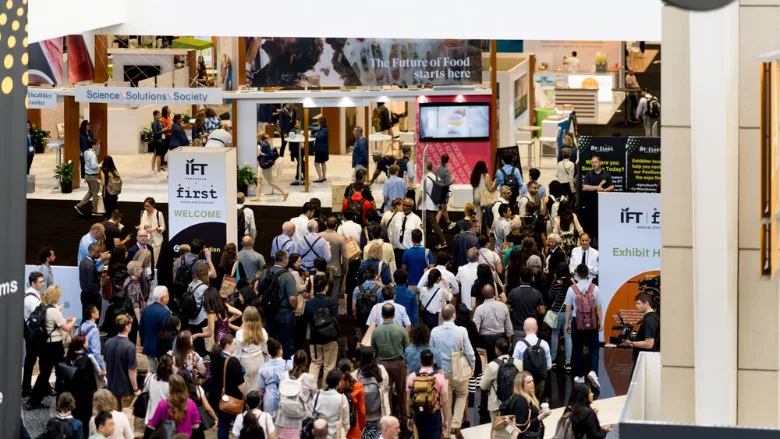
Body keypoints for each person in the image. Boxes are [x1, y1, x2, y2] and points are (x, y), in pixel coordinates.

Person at [25, 285, 77, 410]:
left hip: (45, 346)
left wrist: (64, 320)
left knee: (44, 374)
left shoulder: (43, 308)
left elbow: (53, 323)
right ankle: (63, 400)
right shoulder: (54, 311)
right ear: (57, 296)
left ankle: (34, 400)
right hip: (55, 346)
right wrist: (73, 321)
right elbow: (66, 328)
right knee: (62, 373)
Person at [430, 305, 475, 438]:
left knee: (446, 401)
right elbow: (469, 352)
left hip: (442, 372)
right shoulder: (462, 330)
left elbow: (432, 351)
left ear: (442, 316)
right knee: (462, 395)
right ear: (454, 315)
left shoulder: (434, 331)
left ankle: (446, 431)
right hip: (460, 370)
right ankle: (456, 424)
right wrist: (472, 366)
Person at [565, 264, 604, 389]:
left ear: (576, 274)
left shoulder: (572, 289)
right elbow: (598, 307)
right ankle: (593, 371)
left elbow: (568, 308)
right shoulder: (595, 288)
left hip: (577, 322)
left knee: (578, 349)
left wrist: (567, 323)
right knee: (594, 348)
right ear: (588, 274)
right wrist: (601, 322)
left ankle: (580, 376)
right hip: (592, 322)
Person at [371, 303, 411, 426]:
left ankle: (388, 420)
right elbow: (407, 347)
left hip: (382, 366)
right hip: (399, 365)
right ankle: (403, 420)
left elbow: (374, 349)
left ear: (382, 315)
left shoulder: (376, 331)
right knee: (402, 393)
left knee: (385, 393)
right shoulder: (401, 330)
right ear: (394, 315)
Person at [261, 250, 299, 359]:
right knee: (286, 343)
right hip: (284, 314)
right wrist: (294, 308)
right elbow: (292, 298)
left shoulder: (265, 272)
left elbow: (259, 290)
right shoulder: (288, 276)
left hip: (268, 313)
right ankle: (287, 369)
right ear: (285, 261)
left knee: (270, 343)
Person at [208, 335, 247, 439]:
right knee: (241, 425)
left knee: (223, 426)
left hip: (219, 398)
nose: (235, 346)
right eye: (234, 344)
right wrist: (246, 395)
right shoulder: (233, 361)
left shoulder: (215, 358)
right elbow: (241, 384)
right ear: (227, 345)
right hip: (233, 399)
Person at [305, 275, 340, 387]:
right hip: (330, 338)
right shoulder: (331, 301)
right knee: (329, 366)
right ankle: (325, 392)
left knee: (315, 364)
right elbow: (336, 318)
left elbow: (307, 320)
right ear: (326, 287)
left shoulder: (309, 303)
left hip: (314, 338)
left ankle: (311, 390)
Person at [405, 349, 449, 439]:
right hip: (434, 414)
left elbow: (408, 400)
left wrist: (409, 417)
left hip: (418, 414)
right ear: (433, 361)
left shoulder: (412, 377)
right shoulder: (439, 378)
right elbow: (444, 401)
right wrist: (446, 420)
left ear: (420, 361)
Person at [479, 337, 522, 421]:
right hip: (514, 401)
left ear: (497, 350)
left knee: (498, 429)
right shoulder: (518, 363)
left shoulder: (491, 366)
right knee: (513, 427)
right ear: (510, 348)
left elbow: (483, 386)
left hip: (496, 404)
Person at [104, 315, 141, 410]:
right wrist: (136, 389)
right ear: (126, 327)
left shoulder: (108, 342)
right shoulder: (130, 346)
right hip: (126, 389)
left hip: (111, 387)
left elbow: (106, 362)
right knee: (126, 418)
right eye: (130, 324)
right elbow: (132, 371)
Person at [62, 335, 100, 426]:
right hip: (84, 396)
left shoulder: (68, 357)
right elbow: (91, 381)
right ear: (83, 344)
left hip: (70, 393)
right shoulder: (86, 360)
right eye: (86, 341)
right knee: (84, 420)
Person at [512, 317, 552, 398]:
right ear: (537, 328)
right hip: (540, 380)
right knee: (538, 401)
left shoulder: (520, 344)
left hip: (525, 381)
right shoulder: (544, 344)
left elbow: (514, 365)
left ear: (524, 328)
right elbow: (549, 366)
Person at [500, 372, 549, 437]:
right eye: (528, 382)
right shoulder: (521, 400)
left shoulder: (528, 397)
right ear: (521, 385)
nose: (532, 384)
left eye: (532, 381)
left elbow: (528, 416)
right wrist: (538, 418)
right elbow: (521, 425)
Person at [473, 284, 513, 363]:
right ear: (494, 292)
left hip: (485, 341)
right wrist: (509, 342)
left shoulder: (479, 309)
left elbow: (475, 329)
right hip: (501, 339)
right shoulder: (503, 306)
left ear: (482, 294)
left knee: (487, 364)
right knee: (501, 364)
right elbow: (509, 328)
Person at [234, 306, 268, 393]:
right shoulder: (262, 331)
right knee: (258, 386)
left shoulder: (240, 333)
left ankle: (248, 405)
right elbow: (265, 350)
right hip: (259, 360)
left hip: (245, 363)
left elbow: (237, 354)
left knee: (247, 389)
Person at [580, 155, 614, 241]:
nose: (593, 164)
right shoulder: (589, 174)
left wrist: (603, 190)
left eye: (595, 162)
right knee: (590, 225)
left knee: (602, 224)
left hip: (604, 205)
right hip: (591, 204)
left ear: (600, 163)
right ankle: (591, 241)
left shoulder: (606, 175)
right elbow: (585, 187)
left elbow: (612, 187)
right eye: (592, 163)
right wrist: (597, 187)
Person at [506, 268, 546, 342]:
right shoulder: (537, 293)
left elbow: (506, 310)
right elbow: (542, 311)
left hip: (518, 327)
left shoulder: (513, 292)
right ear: (531, 278)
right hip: (532, 328)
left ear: (520, 278)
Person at [622, 292, 661, 365]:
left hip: (646, 359)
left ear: (646, 303)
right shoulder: (654, 317)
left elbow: (649, 344)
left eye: (638, 303)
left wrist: (630, 343)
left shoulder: (649, 320)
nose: (636, 306)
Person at [548, 263, 573, 370]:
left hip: (557, 312)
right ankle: (568, 363)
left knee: (555, 334)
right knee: (568, 336)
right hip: (569, 312)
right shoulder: (571, 283)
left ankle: (553, 360)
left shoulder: (555, 283)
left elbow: (550, 296)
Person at [140, 286, 171, 371]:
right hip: (161, 349)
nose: (168, 298)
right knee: (161, 372)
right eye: (167, 296)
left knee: (151, 371)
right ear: (162, 298)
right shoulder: (165, 313)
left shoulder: (146, 310)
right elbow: (167, 333)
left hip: (148, 346)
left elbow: (141, 329)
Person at [313, 370, 351, 439]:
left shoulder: (317, 396)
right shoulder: (342, 398)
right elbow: (346, 422)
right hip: (335, 435)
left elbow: (313, 416)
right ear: (338, 382)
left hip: (319, 434)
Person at [321, 215, 349, 302]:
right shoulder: (340, 238)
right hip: (336, 268)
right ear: (336, 225)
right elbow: (344, 256)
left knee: (321, 290)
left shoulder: (319, 236)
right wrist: (345, 269)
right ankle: (332, 310)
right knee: (334, 293)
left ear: (326, 224)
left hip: (321, 268)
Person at [258, 338, 290, 415]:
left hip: (269, 396)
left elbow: (261, 387)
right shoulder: (288, 365)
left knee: (269, 420)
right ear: (279, 351)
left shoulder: (263, 367)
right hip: (285, 393)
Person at [188, 264, 213, 357]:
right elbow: (207, 304)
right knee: (204, 345)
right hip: (202, 318)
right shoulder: (204, 288)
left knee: (196, 344)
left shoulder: (191, 284)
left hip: (192, 317)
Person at [256, 132, 290, 201]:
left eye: (257, 137)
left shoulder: (265, 144)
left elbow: (271, 155)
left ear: (260, 138)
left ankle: (284, 193)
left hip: (266, 165)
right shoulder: (262, 143)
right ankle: (257, 197)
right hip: (262, 164)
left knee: (270, 182)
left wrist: (262, 154)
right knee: (259, 179)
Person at [421, 162, 448, 249]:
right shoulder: (436, 177)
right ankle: (430, 240)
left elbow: (422, 194)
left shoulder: (425, 179)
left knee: (433, 222)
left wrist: (417, 203)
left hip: (428, 204)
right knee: (431, 222)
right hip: (435, 203)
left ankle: (443, 241)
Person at [74, 139, 102, 217]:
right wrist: (100, 165)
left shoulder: (86, 152)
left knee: (90, 192)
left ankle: (79, 205)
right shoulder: (92, 155)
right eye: (96, 144)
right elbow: (93, 166)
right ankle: (95, 211)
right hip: (93, 176)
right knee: (96, 194)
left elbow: (97, 152)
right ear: (93, 145)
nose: (97, 146)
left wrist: (99, 145)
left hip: (87, 175)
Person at [339, 359, 367, 439]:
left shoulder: (337, 386)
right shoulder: (358, 386)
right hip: (354, 426)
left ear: (338, 370)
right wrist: (362, 425)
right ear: (351, 368)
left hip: (339, 427)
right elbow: (362, 410)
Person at [391, 199, 423, 265]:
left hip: (409, 251)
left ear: (412, 207)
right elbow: (393, 232)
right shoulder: (397, 216)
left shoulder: (416, 219)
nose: (405, 207)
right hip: (397, 251)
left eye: (407, 205)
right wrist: (392, 246)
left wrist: (420, 251)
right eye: (404, 205)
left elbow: (421, 236)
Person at [136, 197, 165, 266]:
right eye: (145, 206)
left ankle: (152, 275)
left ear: (153, 205)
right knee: (143, 260)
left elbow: (163, 227)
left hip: (155, 241)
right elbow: (141, 224)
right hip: (144, 240)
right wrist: (140, 228)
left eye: (148, 206)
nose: (146, 208)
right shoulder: (143, 212)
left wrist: (156, 229)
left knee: (153, 261)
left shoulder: (158, 213)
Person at [470, 160, 497, 226]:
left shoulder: (474, 175)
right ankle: (489, 234)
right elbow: (490, 188)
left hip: (476, 198)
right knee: (488, 217)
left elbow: (474, 188)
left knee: (478, 217)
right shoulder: (486, 176)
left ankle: (477, 233)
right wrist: (495, 182)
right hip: (485, 198)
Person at [313, 116, 330, 182]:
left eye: (318, 121)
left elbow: (319, 137)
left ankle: (320, 177)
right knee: (323, 162)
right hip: (323, 149)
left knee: (316, 163)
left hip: (321, 149)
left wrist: (315, 135)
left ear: (320, 122)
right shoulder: (323, 129)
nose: (317, 122)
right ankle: (323, 176)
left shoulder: (324, 129)